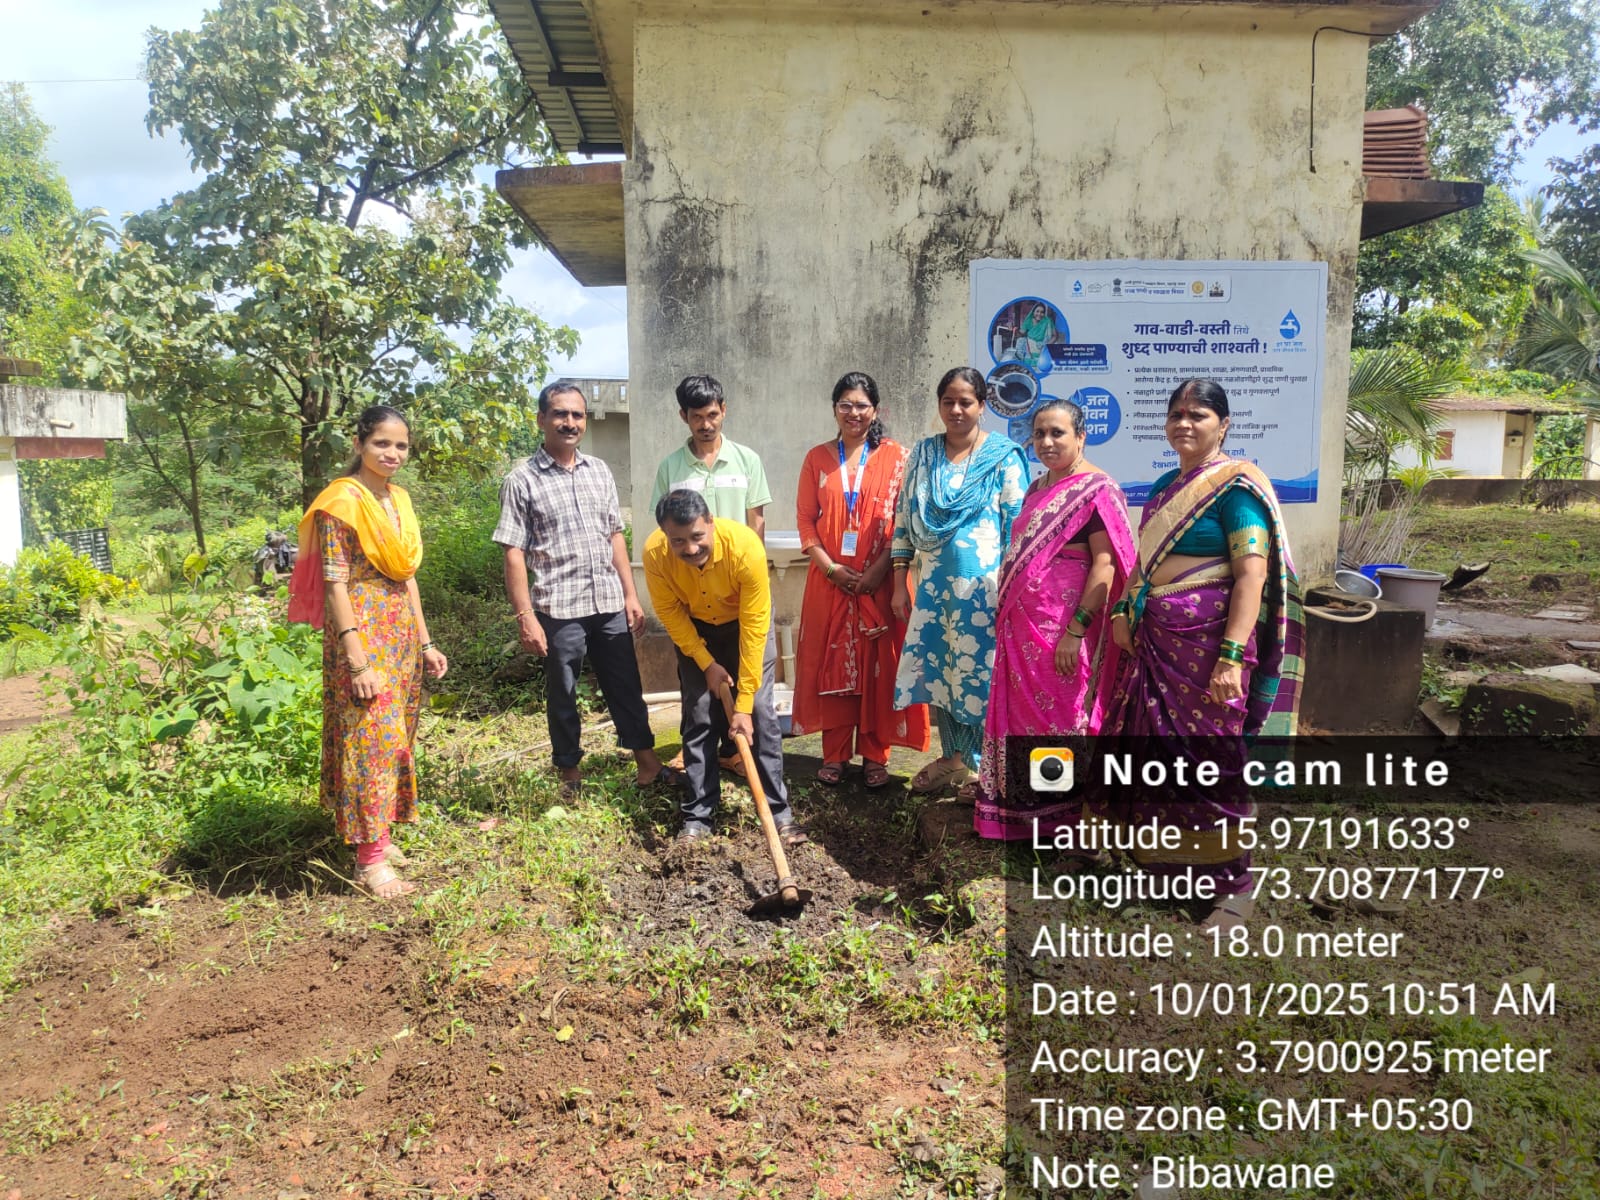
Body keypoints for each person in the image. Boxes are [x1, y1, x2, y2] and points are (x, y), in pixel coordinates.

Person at [1103, 377, 1304, 931]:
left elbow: (1252, 576)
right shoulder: (1164, 487)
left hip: (1209, 648)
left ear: (1224, 424)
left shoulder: (1237, 488)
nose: (1184, 424)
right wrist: (1123, 610)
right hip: (1157, 643)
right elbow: (1142, 565)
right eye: (1177, 414)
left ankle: (1235, 885)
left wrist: (1232, 656)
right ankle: (1164, 870)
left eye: (1198, 415)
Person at [289, 405, 448, 900]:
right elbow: (335, 585)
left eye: (401, 445)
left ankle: (379, 833)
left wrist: (425, 641)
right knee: (370, 741)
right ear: (359, 444)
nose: (392, 453)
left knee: (397, 737)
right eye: (382, 443)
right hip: (362, 638)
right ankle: (369, 861)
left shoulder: (398, 499)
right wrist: (357, 659)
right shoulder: (341, 502)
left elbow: (407, 578)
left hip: (401, 637)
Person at [493, 380, 677, 798]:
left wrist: (630, 595)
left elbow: (614, 535)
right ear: (541, 419)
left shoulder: (599, 471)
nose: (570, 422)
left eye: (577, 414)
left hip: (607, 601)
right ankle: (569, 772)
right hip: (559, 607)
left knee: (626, 685)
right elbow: (513, 553)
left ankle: (647, 764)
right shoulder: (522, 480)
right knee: (564, 692)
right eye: (560, 413)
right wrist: (525, 617)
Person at [973, 398, 1136, 840]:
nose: (1046, 442)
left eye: (1057, 433)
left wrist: (1076, 630)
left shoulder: (1097, 489)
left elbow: (1105, 565)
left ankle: (1059, 817)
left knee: (1060, 716)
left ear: (1081, 436)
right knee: (1023, 716)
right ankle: (1024, 811)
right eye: (1039, 434)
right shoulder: (1036, 488)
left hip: (1063, 630)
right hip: (1021, 628)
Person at [890, 367, 1027, 794]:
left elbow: (1017, 527)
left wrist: (1011, 591)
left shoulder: (1003, 457)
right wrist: (899, 581)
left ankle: (987, 768)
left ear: (982, 406)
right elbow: (903, 519)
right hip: (934, 590)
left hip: (985, 592)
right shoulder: (924, 455)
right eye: (947, 401)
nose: (956, 410)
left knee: (980, 675)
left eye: (965, 402)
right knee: (942, 672)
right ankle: (953, 760)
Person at [791, 372, 930, 788]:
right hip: (829, 582)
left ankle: (875, 755)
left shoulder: (898, 457)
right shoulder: (817, 458)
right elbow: (805, 521)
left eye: (862, 405)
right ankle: (834, 754)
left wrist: (878, 570)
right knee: (830, 663)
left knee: (879, 666)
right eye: (845, 405)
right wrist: (831, 569)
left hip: (882, 582)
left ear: (876, 409)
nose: (854, 413)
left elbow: (904, 521)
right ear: (835, 409)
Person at [643, 489, 804, 844]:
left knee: (759, 711)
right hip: (694, 629)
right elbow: (670, 613)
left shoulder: (745, 549)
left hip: (745, 626)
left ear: (711, 523)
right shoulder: (655, 553)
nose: (690, 548)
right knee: (699, 714)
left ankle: (778, 812)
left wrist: (742, 706)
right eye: (678, 541)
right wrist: (706, 663)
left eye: (697, 536)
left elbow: (755, 629)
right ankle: (698, 816)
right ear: (666, 535)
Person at [649, 373, 772, 776]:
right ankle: (698, 755)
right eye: (697, 416)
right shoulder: (670, 467)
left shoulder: (747, 460)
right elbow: (664, 531)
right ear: (683, 416)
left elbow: (756, 523)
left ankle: (738, 752)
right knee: (699, 691)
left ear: (724, 411)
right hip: (695, 599)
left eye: (712, 415)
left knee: (745, 683)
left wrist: (748, 571)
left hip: (736, 584)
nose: (706, 424)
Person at [1014, 302, 1057, 370]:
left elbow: (1055, 336)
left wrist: (1045, 345)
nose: (1039, 314)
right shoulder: (1028, 321)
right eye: (1037, 311)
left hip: (1042, 348)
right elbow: (1021, 334)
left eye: (1042, 312)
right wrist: (1014, 329)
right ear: (1033, 312)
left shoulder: (1048, 321)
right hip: (1029, 348)